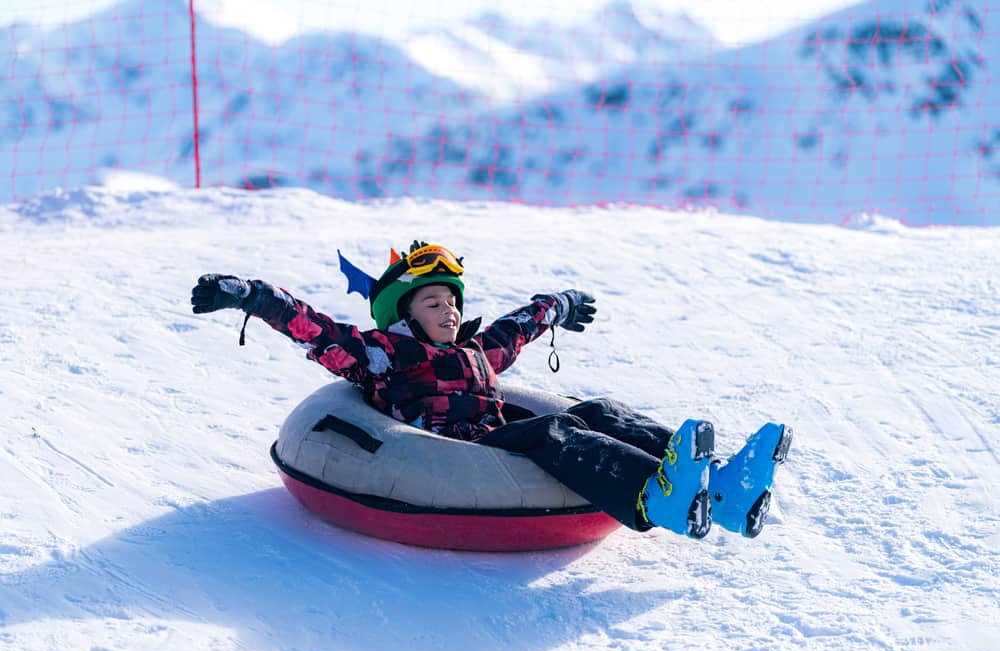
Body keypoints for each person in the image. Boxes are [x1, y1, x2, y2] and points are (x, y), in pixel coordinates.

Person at [191, 241, 791, 539]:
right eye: (433, 302)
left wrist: (557, 306)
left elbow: (515, 327)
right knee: (557, 431)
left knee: (600, 410)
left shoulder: (475, 352)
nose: (449, 313)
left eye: (453, 302)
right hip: (464, 446)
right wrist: (250, 295)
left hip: (501, 432)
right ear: (401, 313)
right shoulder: (383, 354)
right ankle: (654, 499)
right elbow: (315, 328)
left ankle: (720, 488)